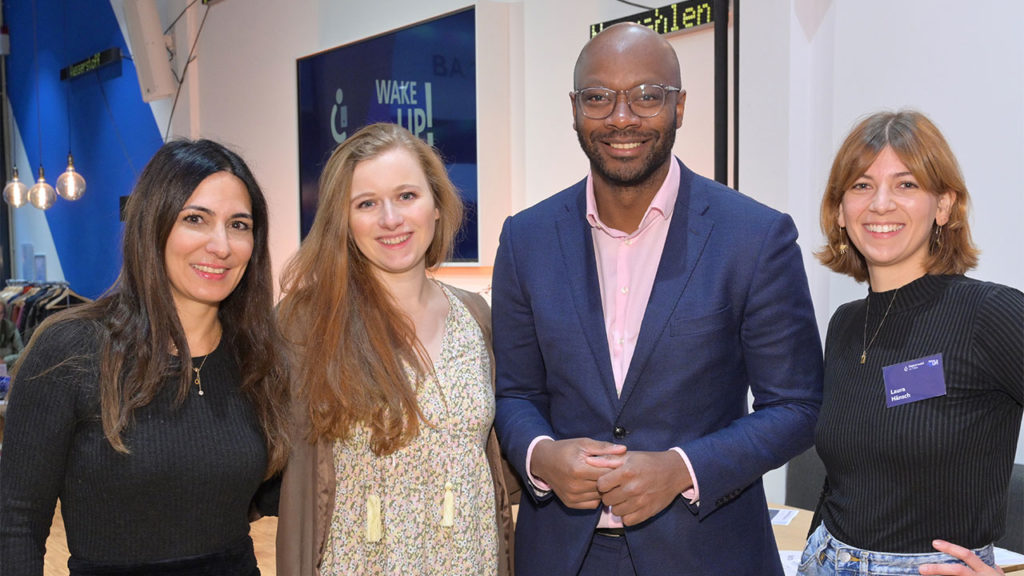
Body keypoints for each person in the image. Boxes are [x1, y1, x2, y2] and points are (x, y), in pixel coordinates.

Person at [492, 22, 823, 576]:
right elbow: (516, 392)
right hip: (562, 554)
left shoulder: (755, 237)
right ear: (575, 108)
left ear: (679, 105)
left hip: (706, 551)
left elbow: (797, 405)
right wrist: (541, 455)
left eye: (647, 96)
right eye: (599, 98)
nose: (622, 118)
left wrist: (681, 468)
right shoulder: (525, 238)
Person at [0, 139, 289, 575]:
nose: (221, 245)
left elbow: (277, 492)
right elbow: (15, 522)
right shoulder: (72, 350)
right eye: (195, 219)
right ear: (152, 227)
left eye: (239, 225)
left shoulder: (259, 357)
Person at [275, 122, 516, 576]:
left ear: (437, 205)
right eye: (367, 204)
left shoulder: (476, 318)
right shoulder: (306, 325)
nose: (391, 219)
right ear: (342, 222)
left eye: (407, 196)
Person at [801, 110, 1024, 576]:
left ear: (943, 205)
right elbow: (847, 477)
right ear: (840, 211)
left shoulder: (991, 314)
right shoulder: (845, 324)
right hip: (825, 560)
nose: (881, 204)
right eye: (862, 185)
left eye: (906, 185)